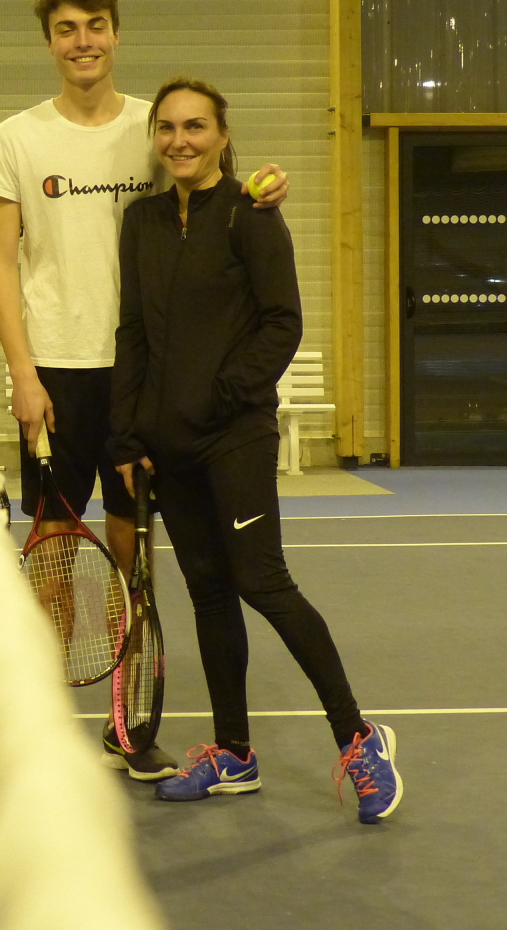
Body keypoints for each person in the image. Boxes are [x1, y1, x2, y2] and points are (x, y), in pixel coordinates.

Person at [0, 0, 288, 780]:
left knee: (131, 556)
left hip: (142, 379)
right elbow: (0, 264)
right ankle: (42, 729)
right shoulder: (16, 138)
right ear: (49, 42)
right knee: (54, 556)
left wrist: (268, 187)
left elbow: (221, 188)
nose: (82, 42)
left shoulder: (157, 127)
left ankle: (125, 722)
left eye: (95, 26)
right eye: (66, 30)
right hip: (54, 374)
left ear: (116, 33)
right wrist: (22, 373)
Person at [109, 77, 401, 823]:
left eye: (195, 127)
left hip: (234, 436)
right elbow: (133, 331)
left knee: (263, 584)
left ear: (222, 135)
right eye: (168, 127)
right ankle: (233, 753)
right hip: (168, 448)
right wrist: (129, 434)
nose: (180, 140)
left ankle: (359, 738)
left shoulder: (251, 214)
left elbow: (282, 323)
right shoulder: (141, 222)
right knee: (208, 592)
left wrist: (220, 396)